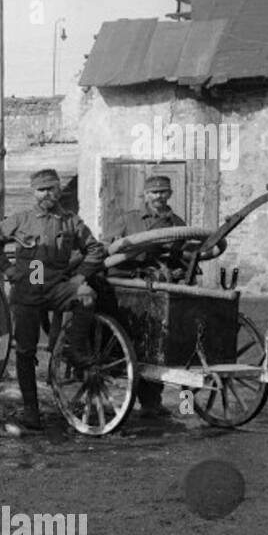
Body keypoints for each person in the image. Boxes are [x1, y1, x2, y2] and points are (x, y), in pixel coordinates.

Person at [0, 169, 106, 431]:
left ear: (59, 189)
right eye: (42, 190)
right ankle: (32, 411)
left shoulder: (70, 221)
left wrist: (79, 278)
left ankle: (73, 349)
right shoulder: (20, 219)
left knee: (87, 298)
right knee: (25, 351)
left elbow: (96, 249)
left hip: (55, 287)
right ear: (33, 192)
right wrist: (8, 270)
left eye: (52, 188)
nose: (47, 194)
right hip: (27, 292)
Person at [108, 174, 186, 416]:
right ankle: (145, 398)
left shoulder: (178, 224)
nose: (158, 197)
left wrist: (177, 269)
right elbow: (107, 247)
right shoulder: (129, 220)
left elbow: (184, 257)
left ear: (170, 194)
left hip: (161, 285)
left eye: (163, 192)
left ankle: (153, 402)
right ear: (145, 195)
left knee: (158, 344)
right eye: (154, 192)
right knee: (139, 341)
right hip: (130, 284)